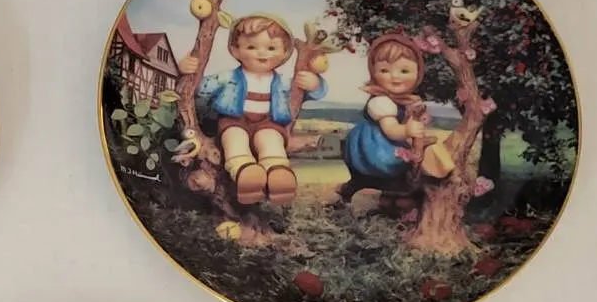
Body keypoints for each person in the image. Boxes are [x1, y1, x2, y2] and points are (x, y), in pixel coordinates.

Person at [180, 14, 327, 206]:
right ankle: (245, 174)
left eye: (271, 48)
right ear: (235, 50)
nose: (261, 53)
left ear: (285, 53)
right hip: (234, 120)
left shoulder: (282, 82)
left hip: (269, 123)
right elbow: (200, 88)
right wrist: (186, 70)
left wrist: (315, 85)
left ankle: (278, 174)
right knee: (234, 140)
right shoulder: (227, 77)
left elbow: (305, 94)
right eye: (251, 47)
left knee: (271, 142)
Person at [338, 33, 432, 205]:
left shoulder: (408, 101)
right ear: (374, 73)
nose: (395, 77)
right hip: (375, 146)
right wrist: (407, 130)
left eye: (404, 71)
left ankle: (392, 197)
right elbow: (391, 130)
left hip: (394, 141)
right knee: (394, 164)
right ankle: (389, 194)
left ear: (418, 73)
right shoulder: (381, 101)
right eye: (384, 71)